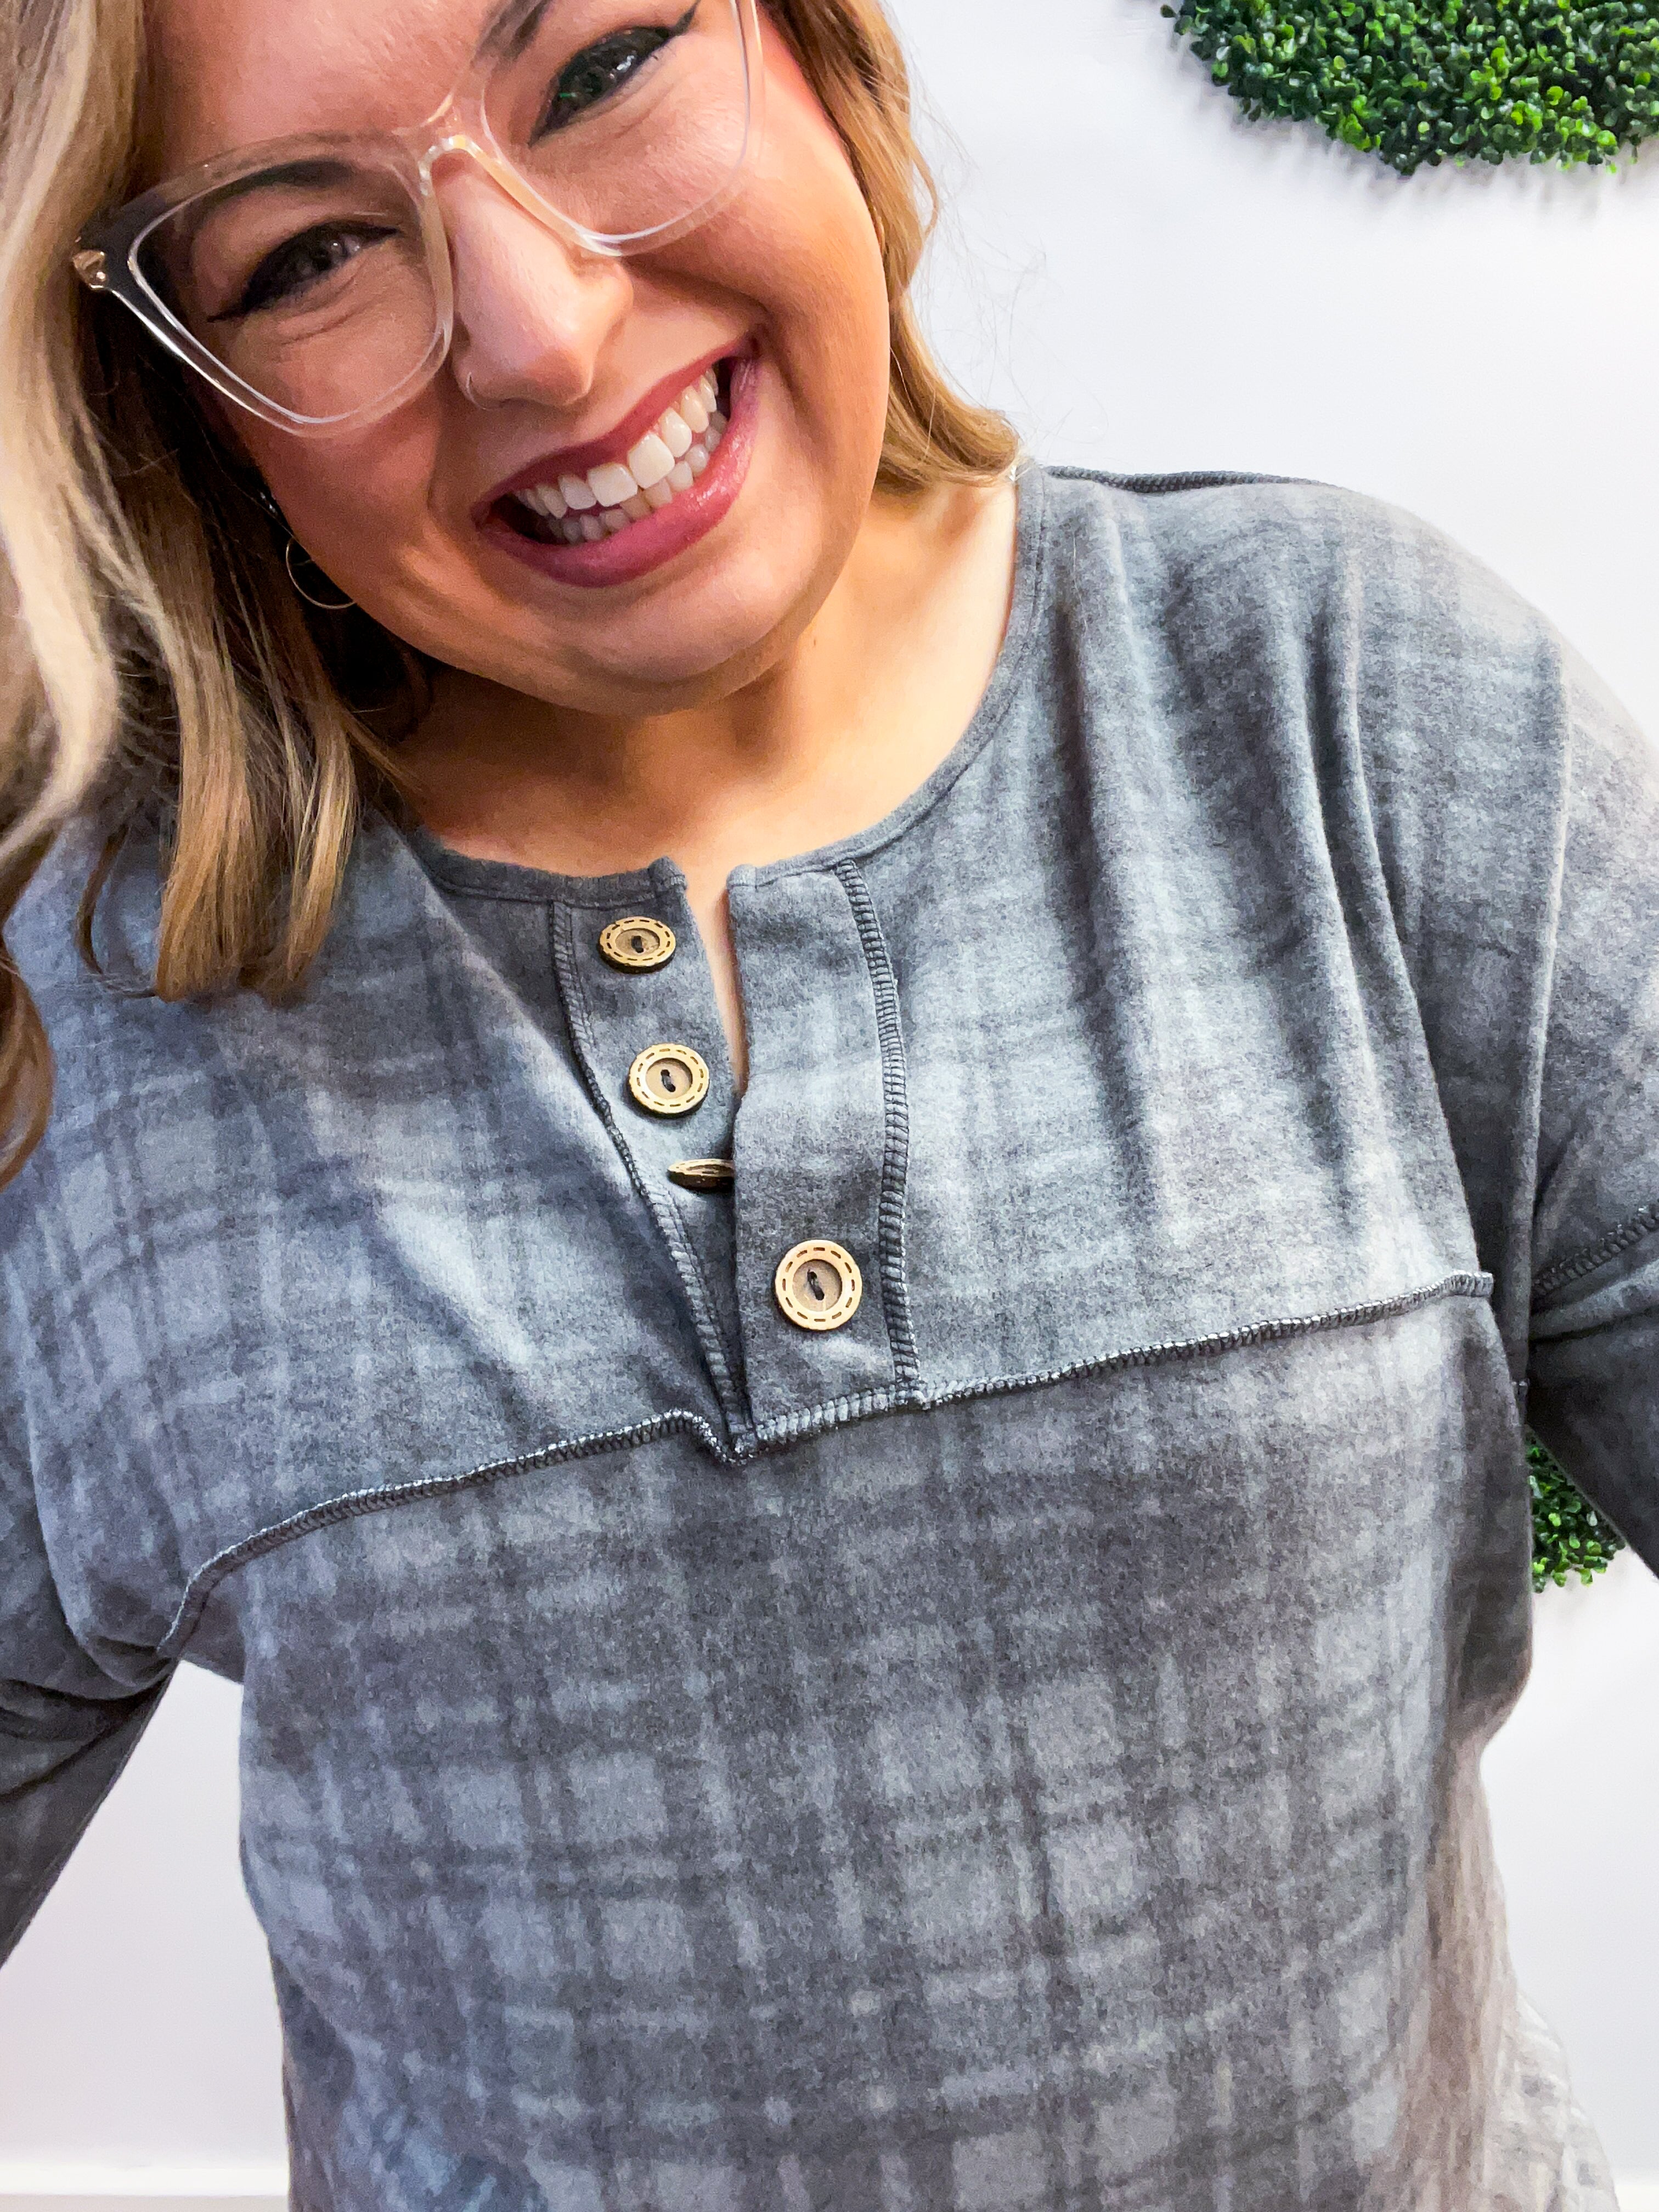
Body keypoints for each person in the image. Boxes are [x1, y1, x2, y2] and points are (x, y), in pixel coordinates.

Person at [0, 0, 1652, 2202]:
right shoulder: (84, 1025)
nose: (543, 335)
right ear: (167, 406)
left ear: (817, 49)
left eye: (600, 73)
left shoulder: (1354, 717)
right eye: (305, 256)